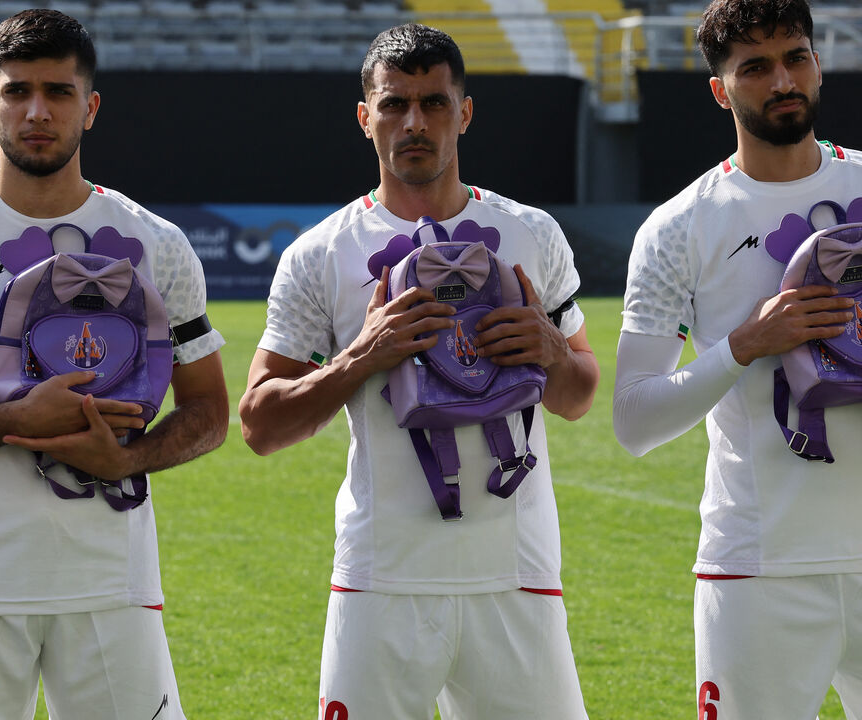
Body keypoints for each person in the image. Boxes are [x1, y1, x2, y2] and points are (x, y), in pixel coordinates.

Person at [613, 1, 862, 718]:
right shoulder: (679, 228)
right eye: (755, 67)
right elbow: (634, 418)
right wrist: (743, 345)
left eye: (796, 56)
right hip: (757, 570)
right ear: (720, 89)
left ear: (817, 63)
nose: (782, 79)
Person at [0, 10, 227, 719]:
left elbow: (211, 411)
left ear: (89, 108)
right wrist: (13, 420)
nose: (36, 111)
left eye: (58, 92)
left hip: (111, 589)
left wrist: (127, 461)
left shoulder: (157, 242)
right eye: (17, 91)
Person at [238, 23, 599, 720]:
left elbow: (580, 396)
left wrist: (552, 352)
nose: (414, 122)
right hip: (382, 576)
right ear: (364, 116)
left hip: (514, 574)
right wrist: (360, 359)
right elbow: (258, 423)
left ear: (463, 113)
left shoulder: (533, 234)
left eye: (434, 103)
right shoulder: (321, 254)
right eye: (395, 103)